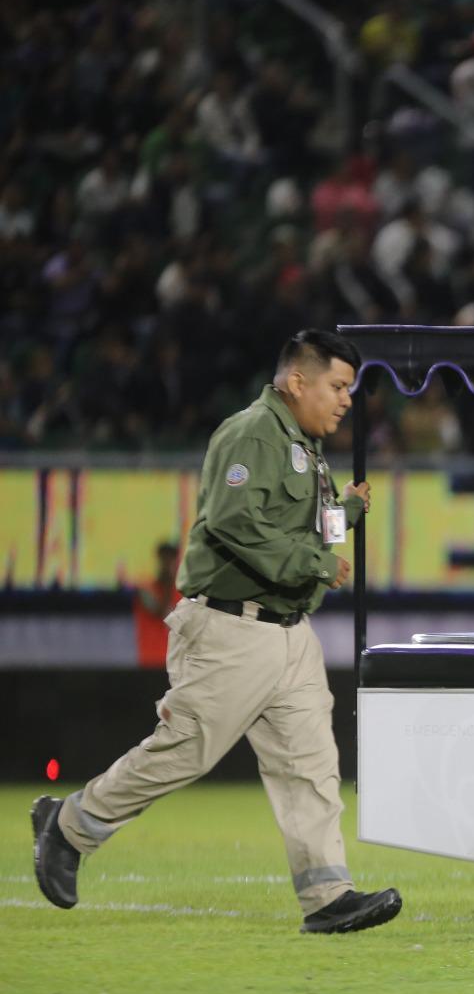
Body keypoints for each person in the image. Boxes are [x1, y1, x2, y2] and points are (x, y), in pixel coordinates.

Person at [31, 329, 404, 932]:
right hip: (233, 627)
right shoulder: (251, 433)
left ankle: (327, 895)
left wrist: (347, 512)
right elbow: (234, 522)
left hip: (288, 631)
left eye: (350, 389)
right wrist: (316, 564)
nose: (346, 401)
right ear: (297, 381)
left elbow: (307, 527)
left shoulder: (304, 447)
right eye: (338, 387)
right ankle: (68, 826)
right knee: (186, 750)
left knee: (310, 765)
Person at [132, 542, 182, 669]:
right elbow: (160, 612)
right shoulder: (146, 589)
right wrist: (168, 583)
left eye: (171, 560)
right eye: (164, 559)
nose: (167, 564)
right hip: (150, 662)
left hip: (175, 665)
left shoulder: (182, 594)